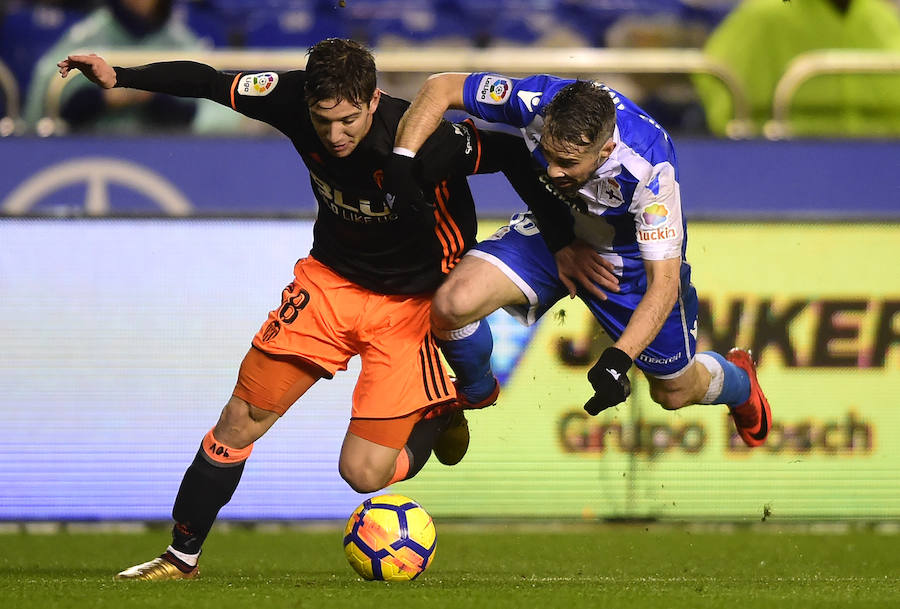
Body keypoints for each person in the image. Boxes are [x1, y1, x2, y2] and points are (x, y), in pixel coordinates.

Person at [58, 38, 605, 581]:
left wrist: (561, 241)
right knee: (239, 419)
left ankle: (439, 416)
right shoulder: (289, 98)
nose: (335, 135)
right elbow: (208, 80)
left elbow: (511, 153)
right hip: (330, 284)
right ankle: (181, 559)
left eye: (348, 120)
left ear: (372, 101)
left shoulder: (424, 137)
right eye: (324, 122)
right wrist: (120, 75)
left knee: (364, 474)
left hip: (414, 304)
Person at [388, 71, 772, 448]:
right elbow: (441, 87)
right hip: (552, 227)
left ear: (605, 150)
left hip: (627, 266)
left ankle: (739, 383)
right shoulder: (533, 99)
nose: (553, 171)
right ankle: (472, 394)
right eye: (549, 155)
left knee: (674, 393)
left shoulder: (651, 174)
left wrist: (617, 360)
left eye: (568, 163)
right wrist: (401, 165)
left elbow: (664, 284)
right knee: (452, 304)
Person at [26, 0, 239, 134]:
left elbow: (221, 119)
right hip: (85, 155)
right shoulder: (83, 40)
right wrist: (101, 100)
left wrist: (157, 102)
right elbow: (42, 115)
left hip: (169, 157)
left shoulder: (184, 45)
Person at [693, 0, 900, 137]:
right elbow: (723, 103)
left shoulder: (884, 18)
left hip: (883, 167)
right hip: (788, 164)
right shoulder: (761, 17)